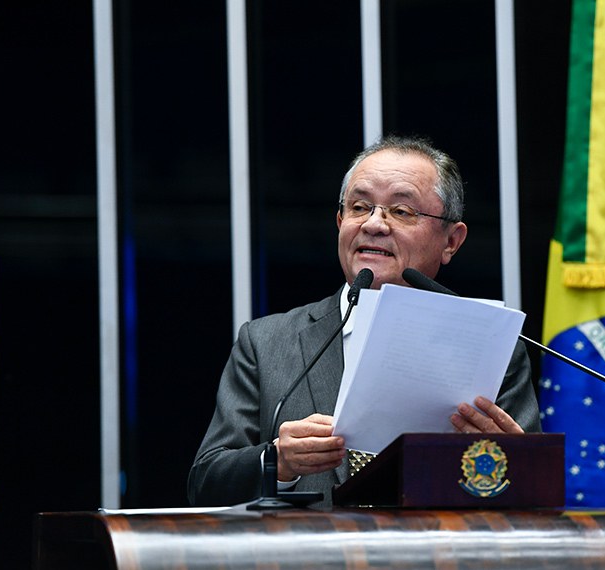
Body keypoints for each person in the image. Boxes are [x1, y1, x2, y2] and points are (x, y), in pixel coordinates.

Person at [188, 136, 541, 507]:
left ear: (451, 241)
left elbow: (531, 499)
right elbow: (205, 484)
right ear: (340, 222)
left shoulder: (491, 348)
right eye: (359, 207)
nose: (374, 224)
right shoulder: (267, 343)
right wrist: (277, 462)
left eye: (402, 211)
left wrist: (514, 466)